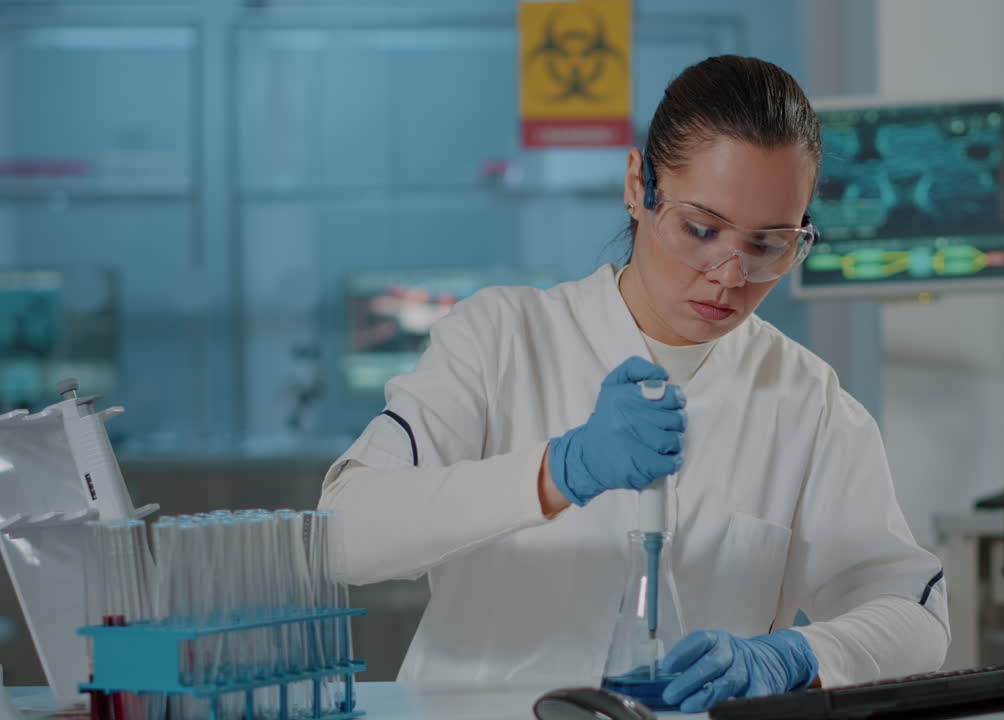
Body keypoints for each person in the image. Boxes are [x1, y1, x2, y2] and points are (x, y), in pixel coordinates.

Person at [320, 55, 949, 712]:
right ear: (635, 186)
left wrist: (798, 656)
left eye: (768, 244)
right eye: (700, 229)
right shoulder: (502, 337)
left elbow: (915, 616)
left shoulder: (806, 399)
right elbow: (342, 538)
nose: (729, 275)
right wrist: (555, 473)